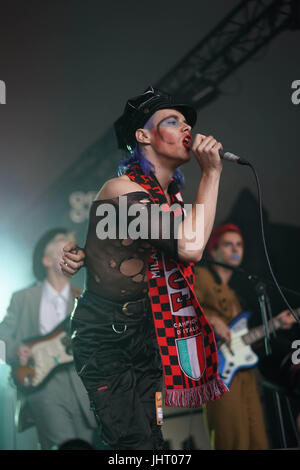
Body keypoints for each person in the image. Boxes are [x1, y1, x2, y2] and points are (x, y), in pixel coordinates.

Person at [61, 86, 228, 450]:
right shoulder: (120, 189)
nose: (188, 129)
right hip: (106, 333)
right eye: (173, 121)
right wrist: (211, 175)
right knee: (133, 443)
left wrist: (82, 254)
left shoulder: (170, 200)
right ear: (143, 136)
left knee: (153, 439)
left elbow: (112, 242)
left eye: (188, 123)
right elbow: (191, 246)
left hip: (147, 331)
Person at [194, 223, 295, 450]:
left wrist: (277, 324)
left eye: (239, 244)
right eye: (228, 244)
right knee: (232, 440)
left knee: (257, 439)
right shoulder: (200, 276)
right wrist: (212, 318)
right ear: (213, 250)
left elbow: (245, 339)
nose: (235, 249)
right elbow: (187, 305)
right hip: (217, 374)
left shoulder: (237, 296)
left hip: (246, 376)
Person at [0, 229, 97, 450]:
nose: (68, 245)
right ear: (45, 259)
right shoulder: (23, 298)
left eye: (71, 244)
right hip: (43, 386)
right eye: (59, 241)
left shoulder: (84, 299)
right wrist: (16, 351)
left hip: (81, 389)